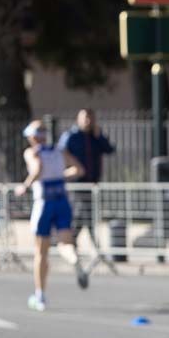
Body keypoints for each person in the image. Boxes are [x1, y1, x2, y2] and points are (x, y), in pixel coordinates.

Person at [14, 120, 89, 311]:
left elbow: (37, 169)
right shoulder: (58, 151)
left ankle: (40, 295)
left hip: (44, 202)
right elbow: (79, 169)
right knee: (65, 243)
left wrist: (25, 185)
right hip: (62, 201)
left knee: (40, 252)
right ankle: (74, 261)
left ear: (32, 137)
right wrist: (60, 176)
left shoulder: (32, 152)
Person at [57, 108, 115, 256]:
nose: (88, 122)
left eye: (91, 118)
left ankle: (74, 244)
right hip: (77, 183)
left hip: (92, 183)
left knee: (88, 215)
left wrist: (99, 136)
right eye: (85, 118)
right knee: (81, 213)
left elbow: (109, 150)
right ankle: (79, 244)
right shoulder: (71, 136)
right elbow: (60, 153)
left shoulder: (95, 136)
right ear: (78, 119)